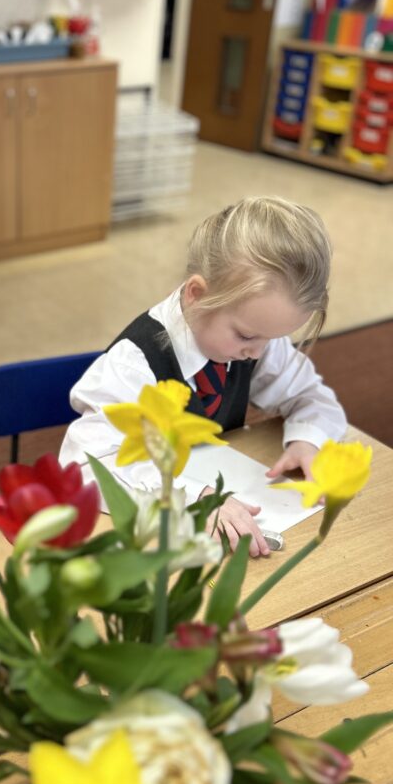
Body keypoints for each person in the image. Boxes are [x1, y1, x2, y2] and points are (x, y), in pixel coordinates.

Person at [59, 196, 347, 558]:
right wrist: (191, 499)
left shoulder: (252, 334)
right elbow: (84, 466)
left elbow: (310, 395)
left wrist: (308, 440)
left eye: (271, 339)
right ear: (197, 295)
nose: (257, 353)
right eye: (246, 336)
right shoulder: (135, 364)